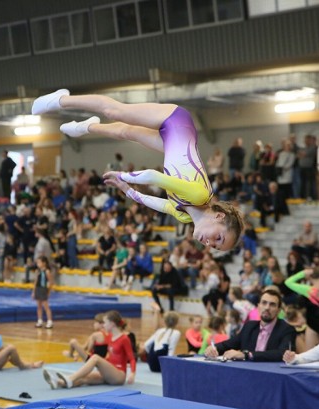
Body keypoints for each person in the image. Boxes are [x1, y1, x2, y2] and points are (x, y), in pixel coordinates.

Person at [32, 89, 244, 251]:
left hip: (171, 144)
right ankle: (61, 99)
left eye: (214, 246)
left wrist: (127, 190)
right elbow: (154, 176)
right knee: (114, 111)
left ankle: (86, 127)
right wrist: (123, 175)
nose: (209, 243)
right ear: (219, 217)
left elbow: (152, 202)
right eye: (218, 238)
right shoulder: (200, 195)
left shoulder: (184, 216)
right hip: (176, 121)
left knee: (126, 132)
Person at [43, 310, 136, 389]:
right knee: (85, 378)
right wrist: (102, 365)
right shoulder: (111, 337)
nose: (103, 325)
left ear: (112, 324)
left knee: (96, 358)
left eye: (105, 323)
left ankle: (70, 378)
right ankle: (58, 382)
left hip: (118, 375)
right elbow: (111, 357)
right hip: (109, 371)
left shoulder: (124, 338)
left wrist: (132, 373)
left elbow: (131, 358)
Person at [205, 289, 296, 361]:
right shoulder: (249, 326)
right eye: (264, 303)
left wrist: (246, 355)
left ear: (279, 310)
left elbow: (282, 353)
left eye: (272, 305)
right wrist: (214, 348)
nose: (267, 307)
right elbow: (229, 344)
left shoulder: (287, 329)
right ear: (258, 306)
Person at [33, 256, 54, 329]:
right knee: (39, 306)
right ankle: (39, 320)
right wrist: (34, 291)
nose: (38, 264)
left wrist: (48, 291)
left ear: (44, 263)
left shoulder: (47, 271)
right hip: (38, 288)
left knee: (46, 306)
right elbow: (35, 282)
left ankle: (49, 321)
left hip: (43, 289)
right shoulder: (37, 271)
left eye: (39, 262)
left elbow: (51, 282)